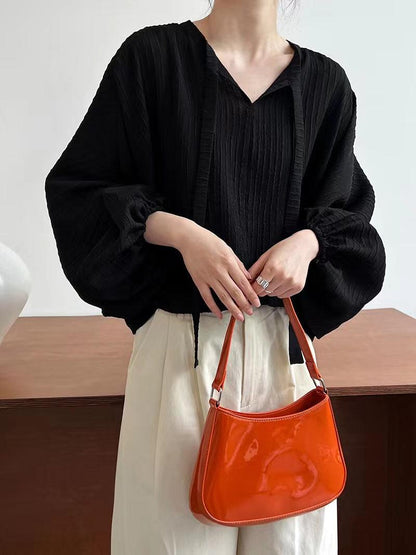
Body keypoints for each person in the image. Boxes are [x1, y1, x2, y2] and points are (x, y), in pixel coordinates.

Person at [45, 2, 386, 553]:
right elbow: (79, 192)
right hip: (181, 353)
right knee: (171, 543)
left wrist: (309, 242)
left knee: (291, 543)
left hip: (284, 361)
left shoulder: (326, 84)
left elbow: (350, 219)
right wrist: (179, 233)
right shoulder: (151, 59)